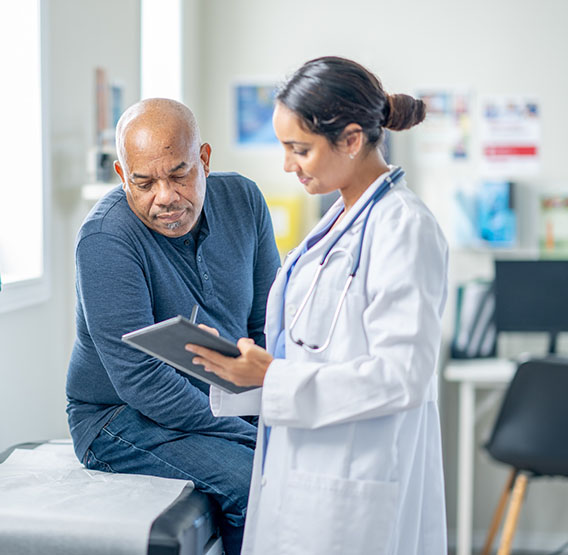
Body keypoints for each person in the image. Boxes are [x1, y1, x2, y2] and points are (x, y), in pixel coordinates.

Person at [186, 56, 449, 554]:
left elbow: (403, 375)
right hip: (305, 467)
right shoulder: (337, 221)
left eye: (299, 149)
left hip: (356, 479)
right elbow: (314, 352)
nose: (287, 165)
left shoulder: (403, 227)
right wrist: (247, 374)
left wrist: (273, 378)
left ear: (351, 139)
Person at [65, 98, 280, 554]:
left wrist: (273, 411)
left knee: (296, 465)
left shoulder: (244, 200)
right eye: (144, 183)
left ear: (203, 159)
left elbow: (267, 325)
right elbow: (140, 379)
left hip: (221, 400)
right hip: (119, 417)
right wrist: (247, 430)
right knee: (254, 481)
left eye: (179, 174)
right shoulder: (106, 238)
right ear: (124, 178)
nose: (165, 197)